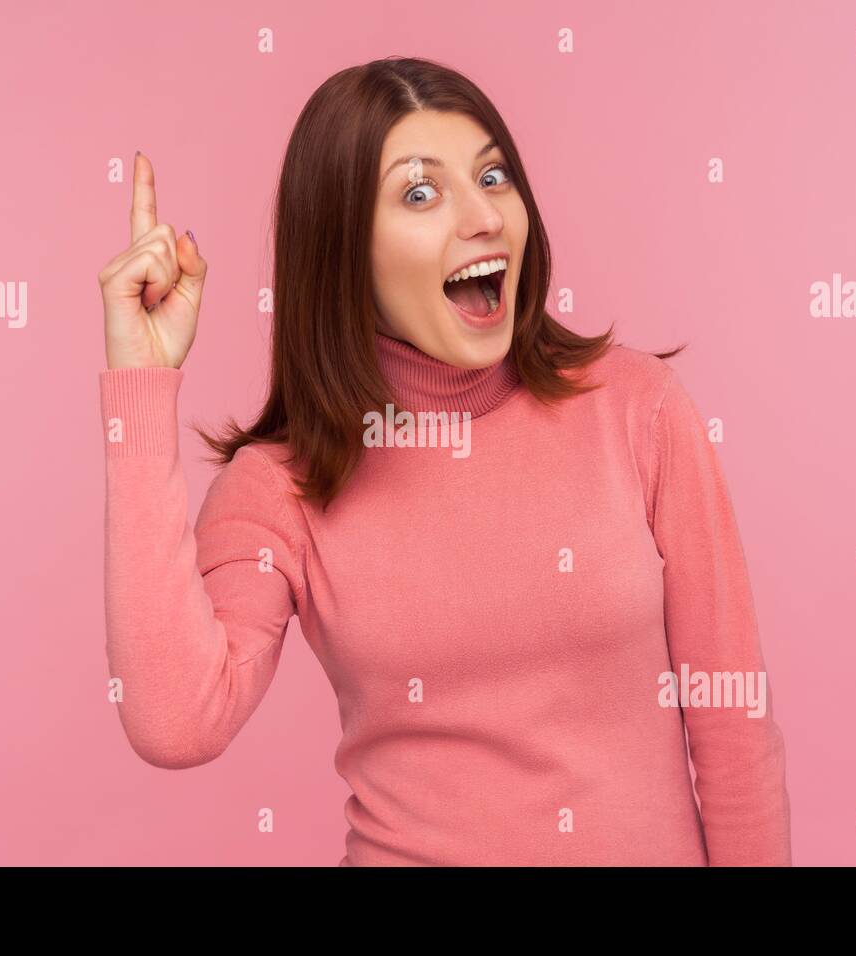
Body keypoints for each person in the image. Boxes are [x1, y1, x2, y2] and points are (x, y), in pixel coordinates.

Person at [96, 56, 792, 867]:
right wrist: (141, 387)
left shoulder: (637, 406)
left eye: (493, 176)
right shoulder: (281, 487)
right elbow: (176, 722)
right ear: (344, 249)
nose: (484, 217)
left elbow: (735, 728)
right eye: (421, 194)